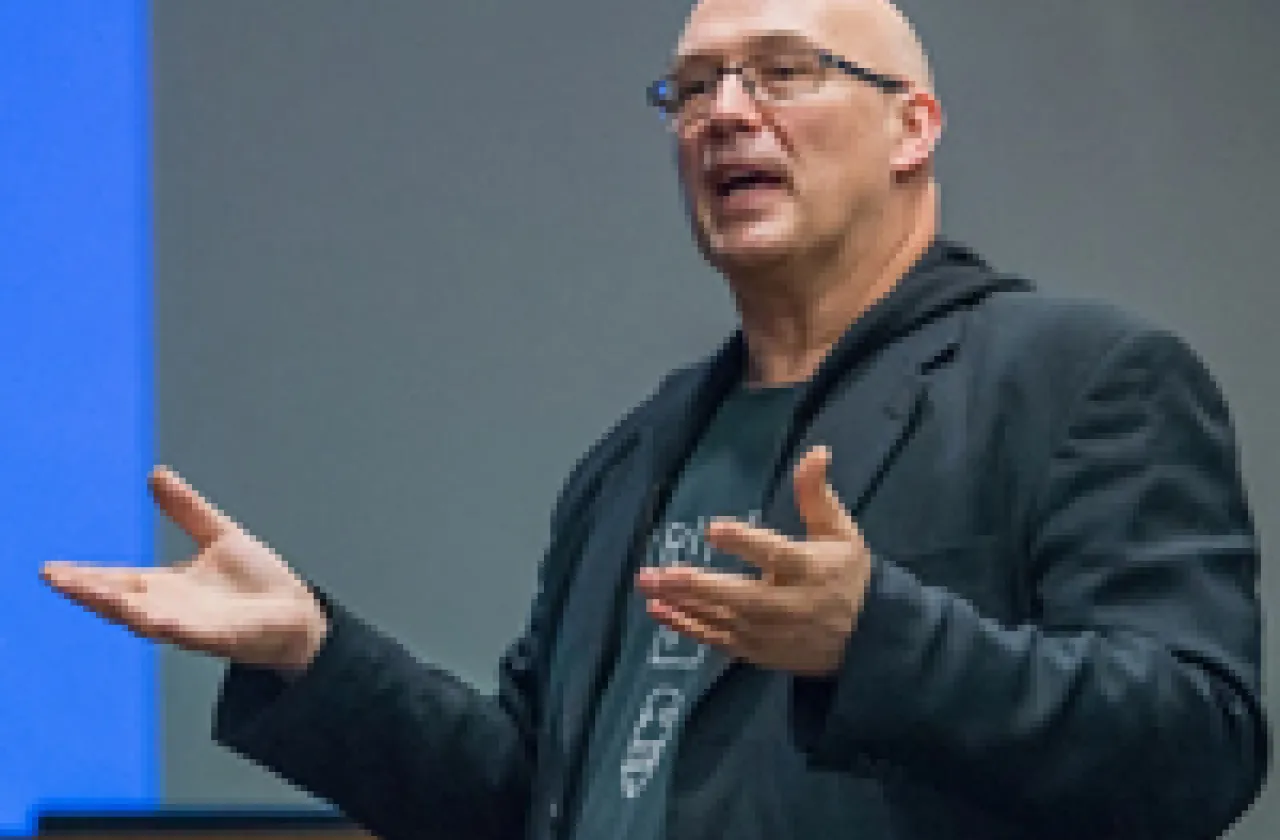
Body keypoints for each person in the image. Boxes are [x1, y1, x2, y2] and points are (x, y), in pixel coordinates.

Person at [42, 0, 1267, 838]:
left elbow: (1193, 749)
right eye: (690, 88)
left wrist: (875, 638)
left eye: (782, 70)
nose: (723, 112)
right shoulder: (637, 457)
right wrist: (309, 652)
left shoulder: (1076, 379)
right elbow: (530, 799)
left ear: (913, 124)